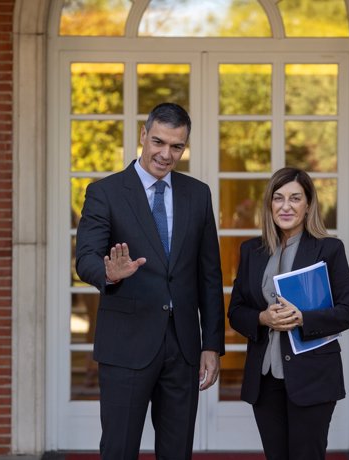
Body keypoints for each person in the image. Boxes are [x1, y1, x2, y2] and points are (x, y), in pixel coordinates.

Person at [75, 102, 225, 460]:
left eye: (176, 146)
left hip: (184, 347)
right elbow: (85, 258)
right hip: (126, 344)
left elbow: (209, 274)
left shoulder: (198, 194)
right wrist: (108, 273)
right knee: (119, 449)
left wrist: (211, 345)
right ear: (143, 135)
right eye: (158, 142)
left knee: (177, 452)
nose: (165, 154)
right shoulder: (105, 192)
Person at [228, 167, 349, 460]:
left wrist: (303, 319)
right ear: (269, 205)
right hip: (265, 381)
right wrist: (263, 318)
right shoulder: (252, 251)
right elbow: (236, 311)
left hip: (312, 378)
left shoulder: (329, 250)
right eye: (278, 198)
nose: (285, 206)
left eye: (295, 198)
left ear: (308, 205)